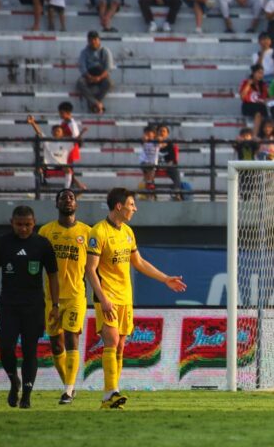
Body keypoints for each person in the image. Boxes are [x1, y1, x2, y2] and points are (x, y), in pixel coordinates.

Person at [86, 188, 187, 409]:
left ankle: (107, 397)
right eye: (132, 204)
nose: (135, 208)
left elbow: (139, 263)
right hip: (107, 296)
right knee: (111, 341)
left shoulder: (128, 232)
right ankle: (113, 391)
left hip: (125, 297)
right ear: (119, 206)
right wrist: (102, 298)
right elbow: (90, 270)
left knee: (121, 346)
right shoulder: (98, 232)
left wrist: (164, 279)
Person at [0, 206, 59, 409]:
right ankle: (14, 381)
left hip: (34, 307)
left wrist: (55, 305)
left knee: (30, 351)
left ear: (34, 223)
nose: (24, 229)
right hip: (8, 306)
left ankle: (27, 395)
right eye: (20, 224)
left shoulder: (42, 244)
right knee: (5, 348)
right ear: (11, 223)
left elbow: (52, 276)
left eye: (28, 225)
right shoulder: (1, 244)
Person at [38, 189, 90, 404]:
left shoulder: (87, 232)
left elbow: (94, 267)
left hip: (76, 295)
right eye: (63, 198)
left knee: (71, 338)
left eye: (71, 197)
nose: (67, 200)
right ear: (56, 204)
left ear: (76, 204)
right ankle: (69, 385)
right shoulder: (46, 232)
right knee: (56, 345)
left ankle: (68, 391)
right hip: (52, 298)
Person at [27, 115, 82, 189]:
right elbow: (39, 132)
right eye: (55, 131)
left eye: (58, 131)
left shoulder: (67, 143)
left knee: (68, 170)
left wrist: (82, 133)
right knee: (37, 169)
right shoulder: (47, 140)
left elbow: (76, 140)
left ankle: (66, 189)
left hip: (61, 165)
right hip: (48, 164)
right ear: (52, 132)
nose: (57, 132)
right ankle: (36, 190)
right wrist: (33, 123)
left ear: (62, 133)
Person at [77, 30, 115, 113]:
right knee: (80, 83)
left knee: (109, 83)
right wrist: (89, 76)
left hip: (101, 75)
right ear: (88, 41)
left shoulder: (105, 51)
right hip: (89, 75)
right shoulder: (84, 52)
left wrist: (99, 78)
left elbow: (109, 68)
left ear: (99, 40)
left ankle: (94, 103)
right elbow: (82, 67)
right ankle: (97, 103)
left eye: (95, 39)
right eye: (91, 40)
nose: (93, 42)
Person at [157, 124, 183, 200]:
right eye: (160, 131)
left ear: (167, 134)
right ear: (157, 133)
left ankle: (176, 193)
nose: (162, 133)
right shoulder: (153, 144)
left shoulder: (170, 145)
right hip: (155, 166)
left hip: (167, 166)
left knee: (176, 171)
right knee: (148, 168)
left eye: (164, 131)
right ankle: (149, 193)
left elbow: (172, 160)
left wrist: (166, 166)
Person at [139, 125, 160, 196]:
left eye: (149, 133)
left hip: (153, 163)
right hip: (144, 162)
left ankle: (149, 188)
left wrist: (156, 138)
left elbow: (160, 141)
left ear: (154, 134)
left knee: (150, 174)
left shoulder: (156, 142)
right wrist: (144, 139)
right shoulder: (144, 141)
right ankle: (148, 187)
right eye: (146, 133)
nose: (147, 134)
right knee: (147, 175)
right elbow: (142, 141)